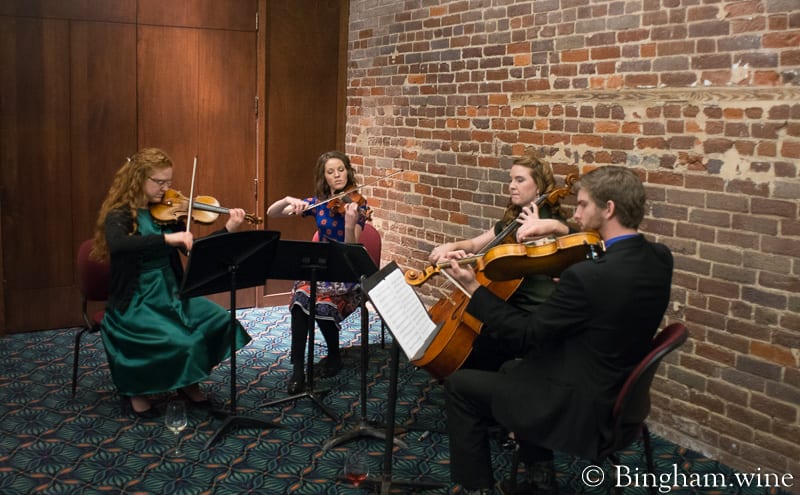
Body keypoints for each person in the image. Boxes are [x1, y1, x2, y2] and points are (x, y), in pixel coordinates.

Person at [440, 166, 674, 494]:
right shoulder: (660, 258)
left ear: (608, 209)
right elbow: (607, 274)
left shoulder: (587, 278)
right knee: (511, 367)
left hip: (577, 403)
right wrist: (561, 236)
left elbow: (524, 333)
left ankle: (475, 488)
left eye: (582, 206)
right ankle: (540, 478)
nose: (575, 215)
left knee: (460, 384)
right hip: (618, 389)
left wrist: (474, 290)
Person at [91, 147, 252, 418]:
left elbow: (193, 249)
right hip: (136, 298)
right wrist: (167, 239)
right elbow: (119, 245)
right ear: (138, 178)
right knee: (181, 341)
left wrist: (228, 229)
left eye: (169, 182)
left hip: (172, 290)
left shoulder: (166, 212)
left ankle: (186, 381)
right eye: (159, 182)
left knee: (219, 321)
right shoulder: (120, 214)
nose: (166, 189)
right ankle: (136, 390)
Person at [427, 151, 570, 371]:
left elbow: (566, 253)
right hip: (507, 306)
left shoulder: (552, 227)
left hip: (530, 316)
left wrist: (546, 234)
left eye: (520, 180)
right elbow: (476, 244)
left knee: (481, 340)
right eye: (511, 179)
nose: (512, 185)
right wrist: (452, 246)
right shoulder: (512, 222)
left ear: (539, 187)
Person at [266, 150, 369, 394]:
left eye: (341, 170)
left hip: (346, 273)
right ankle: (298, 369)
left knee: (322, 302)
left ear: (348, 171)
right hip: (320, 268)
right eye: (331, 172)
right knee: (301, 299)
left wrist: (349, 223)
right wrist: (288, 199)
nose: (337, 176)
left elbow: (352, 250)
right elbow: (273, 213)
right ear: (324, 177)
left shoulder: (358, 206)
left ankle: (334, 354)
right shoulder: (318, 204)